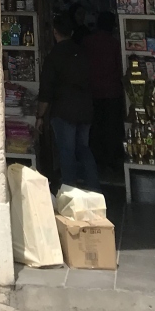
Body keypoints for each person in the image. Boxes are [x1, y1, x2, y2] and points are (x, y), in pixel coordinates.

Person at [37, 12, 99, 189]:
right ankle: (94, 188)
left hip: (63, 111)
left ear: (55, 32)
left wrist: (40, 116)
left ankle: (70, 190)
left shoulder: (53, 57)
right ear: (71, 32)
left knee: (66, 151)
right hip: (85, 109)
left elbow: (46, 91)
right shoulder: (82, 52)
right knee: (83, 149)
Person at [83, 11, 125, 171]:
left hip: (92, 92)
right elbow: (120, 67)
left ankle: (96, 160)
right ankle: (111, 160)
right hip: (112, 92)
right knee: (112, 128)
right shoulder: (115, 43)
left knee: (95, 127)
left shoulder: (88, 42)